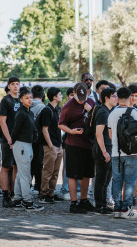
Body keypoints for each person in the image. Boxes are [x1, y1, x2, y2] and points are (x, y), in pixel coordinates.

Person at [58, 82, 96, 214]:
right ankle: (74, 203)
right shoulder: (67, 107)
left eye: (83, 97)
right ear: (73, 93)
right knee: (73, 175)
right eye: (79, 98)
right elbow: (61, 124)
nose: (81, 101)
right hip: (74, 144)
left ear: (88, 93)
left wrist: (90, 110)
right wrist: (71, 131)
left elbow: (98, 119)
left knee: (87, 174)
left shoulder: (91, 102)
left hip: (89, 143)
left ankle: (84, 200)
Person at [108, 86, 137, 219]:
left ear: (117, 98)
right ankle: (126, 209)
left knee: (117, 180)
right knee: (130, 181)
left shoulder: (112, 112)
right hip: (131, 152)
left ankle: (117, 208)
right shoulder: (133, 111)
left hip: (115, 152)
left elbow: (110, 134)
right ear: (129, 98)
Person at [11, 88, 44, 211]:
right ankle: (28, 202)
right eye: (26, 98)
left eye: (30, 97)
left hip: (28, 145)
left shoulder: (29, 113)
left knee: (21, 174)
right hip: (21, 145)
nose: (29, 100)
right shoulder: (21, 113)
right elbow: (15, 130)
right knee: (26, 176)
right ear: (21, 100)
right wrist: (12, 142)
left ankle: (18, 200)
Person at [93, 87, 117, 214]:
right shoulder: (103, 112)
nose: (116, 98)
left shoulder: (109, 111)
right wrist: (104, 151)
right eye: (114, 96)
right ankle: (99, 205)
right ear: (107, 98)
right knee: (101, 179)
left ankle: (103, 204)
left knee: (106, 180)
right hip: (103, 149)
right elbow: (99, 133)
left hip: (109, 148)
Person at [38, 87, 64, 204]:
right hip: (50, 146)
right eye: (60, 94)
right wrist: (51, 146)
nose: (62, 96)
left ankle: (51, 193)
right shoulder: (47, 110)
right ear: (54, 97)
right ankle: (43, 195)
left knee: (55, 172)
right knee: (48, 171)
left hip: (58, 145)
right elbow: (44, 129)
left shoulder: (56, 110)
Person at [0, 76, 21, 207]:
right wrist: (9, 139)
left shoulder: (22, 99)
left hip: (20, 140)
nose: (15, 86)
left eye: (17, 84)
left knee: (17, 167)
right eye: (13, 84)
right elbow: (2, 121)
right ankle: (5, 195)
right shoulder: (5, 100)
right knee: (6, 167)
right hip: (8, 139)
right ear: (8, 86)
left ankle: (15, 193)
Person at [30, 85, 46, 195]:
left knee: (28, 164)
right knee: (39, 164)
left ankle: (27, 186)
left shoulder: (26, 105)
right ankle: (38, 186)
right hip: (39, 139)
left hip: (27, 139)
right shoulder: (43, 107)